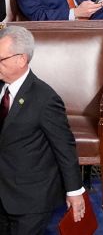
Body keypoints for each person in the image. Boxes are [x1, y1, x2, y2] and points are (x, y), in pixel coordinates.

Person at [0, 26, 87, 231]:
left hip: (30, 199)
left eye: (1, 59)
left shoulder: (45, 99)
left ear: (21, 59)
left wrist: (74, 192)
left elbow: (64, 148)